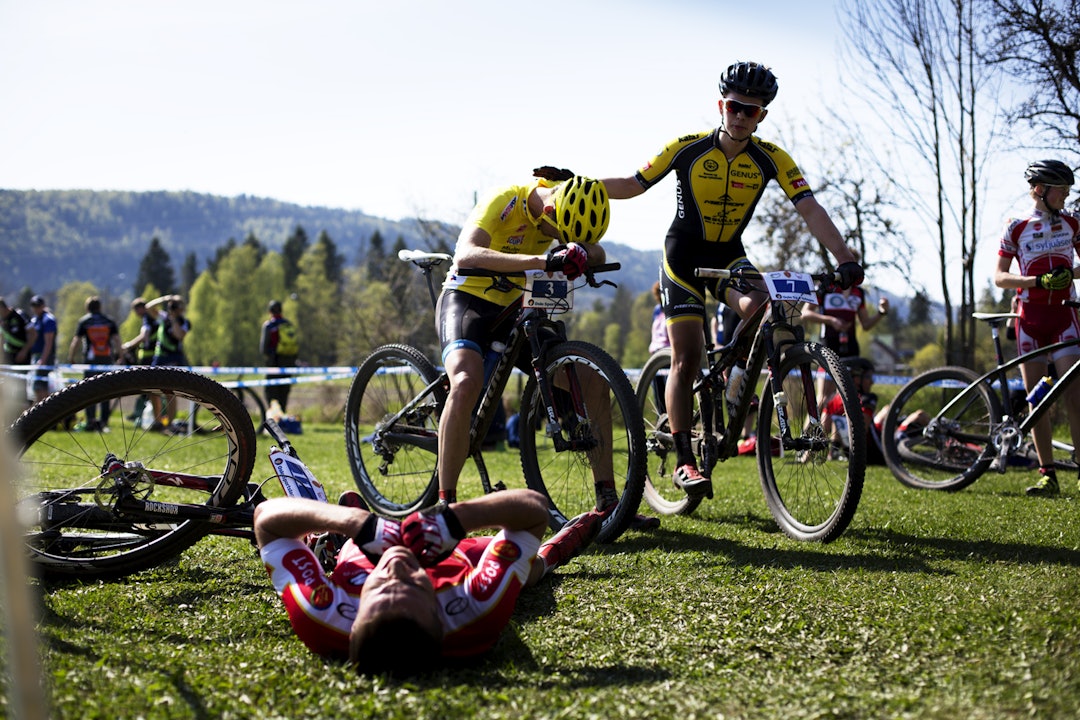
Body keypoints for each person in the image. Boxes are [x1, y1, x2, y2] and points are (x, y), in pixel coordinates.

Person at [601, 60, 863, 500]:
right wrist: (577, 184)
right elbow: (633, 183)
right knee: (686, 356)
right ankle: (685, 460)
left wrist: (845, 257)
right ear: (721, 105)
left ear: (762, 116)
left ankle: (733, 374)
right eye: (737, 107)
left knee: (767, 305)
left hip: (730, 257)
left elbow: (810, 208)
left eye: (753, 111)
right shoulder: (686, 148)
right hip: (682, 259)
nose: (742, 117)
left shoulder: (771, 158)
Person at [254, 488, 602, 676]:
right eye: (413, 583)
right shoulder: (475, 609)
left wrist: (354, 523)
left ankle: (341, 539)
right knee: (524, 576)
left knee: (338, 545)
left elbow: (266, 520)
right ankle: (553, 554)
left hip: (359, 552)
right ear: (439, 612)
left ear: (354, 615)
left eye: (379, 585)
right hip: (449, 559)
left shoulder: (323, 616)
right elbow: (533, 510)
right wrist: (456, 519)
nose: (398, 566)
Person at [993, 159, 1080, 497]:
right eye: (1062, 189)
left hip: (1064, 320)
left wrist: (1068, 275)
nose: (1067, 194)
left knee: (1074, 396)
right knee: (1037, 401)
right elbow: (1000, 278)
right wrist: (1036, 280)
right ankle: (1048, 474)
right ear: (1041, 190)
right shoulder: (1016, 226)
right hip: (1030, 322)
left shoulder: (1072, 224)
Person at [67, 296, 122, 431]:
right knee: (106, 390)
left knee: (89, 390)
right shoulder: (109, 321)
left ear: (87, 308)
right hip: (106, 360)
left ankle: (90, 420)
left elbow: (76, 340)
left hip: (90, 361)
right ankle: (104, 421)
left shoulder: (85, 321)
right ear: (99, 307)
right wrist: (120, 356)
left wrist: (71, 357)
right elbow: (117, 340)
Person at [800, 284, 889, 359]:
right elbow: (804, 313)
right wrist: (831, 320)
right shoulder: (825, 287)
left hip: (851, 346)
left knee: (851, 378)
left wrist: (881, 312)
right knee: (826, 378)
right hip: (828, 344)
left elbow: (866, 325)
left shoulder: (858, 292)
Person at [260, 300, 299, 413]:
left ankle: (273, 419)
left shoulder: (269, 325)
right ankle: (283, 417)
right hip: (288, 363)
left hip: (274, 364)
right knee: (284, 392)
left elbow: (263, 349)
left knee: (270, 392)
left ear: (269, 311)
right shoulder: (288, 324)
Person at [27, 295, 57, 403]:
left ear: (43, 305)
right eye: (33, 306)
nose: (36, 308)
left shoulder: (48, 319)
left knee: (41, 388)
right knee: (37, 388)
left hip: (44, 357)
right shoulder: (35, 319)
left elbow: (48, 342)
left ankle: (45, 414)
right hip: (37, 356)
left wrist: (43, 360)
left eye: (38, 305)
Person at [0, 299, 32, 366]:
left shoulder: (20, 315)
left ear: (2, 307)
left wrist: (24, 351)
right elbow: (2, 338)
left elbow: (34, 334)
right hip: (8, 355)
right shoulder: (2, 320)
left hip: (22, 356)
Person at [648, 281, 669, 354]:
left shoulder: (671, 309)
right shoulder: (657, 310)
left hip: (668, 350)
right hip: (655, 350)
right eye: (659, 292)